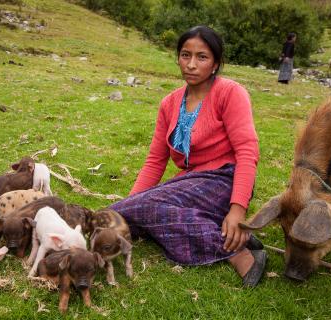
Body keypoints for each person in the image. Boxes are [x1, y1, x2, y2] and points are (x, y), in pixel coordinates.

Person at [110, 26, 267, 287]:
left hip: (223, 180)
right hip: (188, 182)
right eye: (185, 55)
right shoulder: (169, 103)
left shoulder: (231, 93)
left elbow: (247, 152)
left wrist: (238, 209)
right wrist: (131, 203)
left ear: (216, 63)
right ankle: (210, 226)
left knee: (147, 211)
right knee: (117, 215)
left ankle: (238, 251)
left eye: (202, 57)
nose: (191, 64)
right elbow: (155, 160)